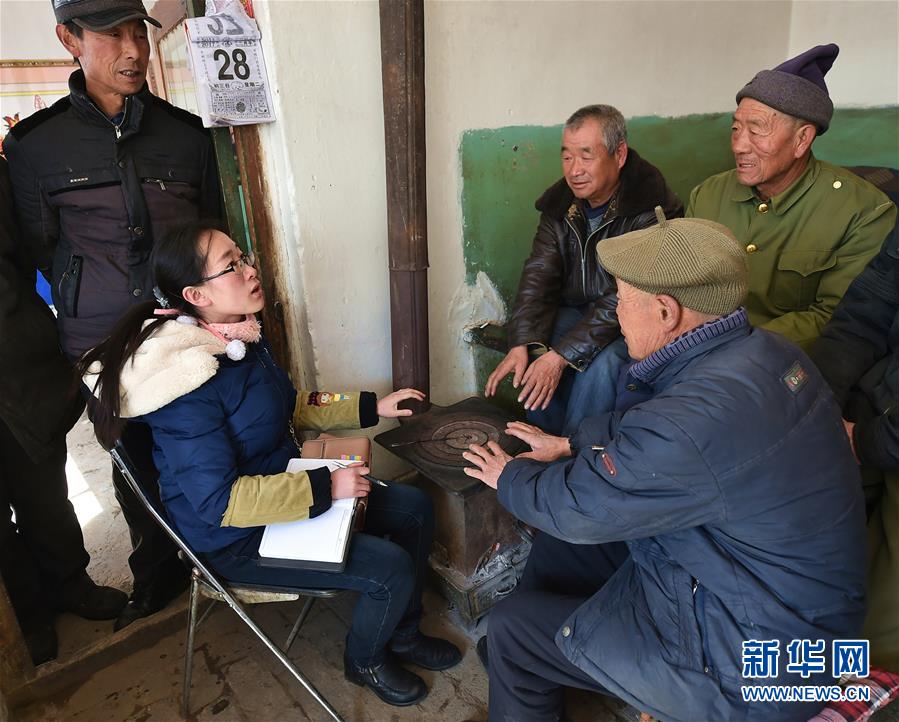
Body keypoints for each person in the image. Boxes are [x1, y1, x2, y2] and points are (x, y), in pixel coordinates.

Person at [464, 210, 867, 722]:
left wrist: (510, 476)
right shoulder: (766, 352)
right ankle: (542, 660)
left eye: (622, 300)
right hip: (771, 598)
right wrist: (570, 443)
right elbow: (658, 438)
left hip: (754, 664)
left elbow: (580, 506)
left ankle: (522, 656)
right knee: (565, 550)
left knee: (512, 628)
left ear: (665, 311)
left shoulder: (692, 421)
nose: (617, 313)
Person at [77, 221, 461, 706]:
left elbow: (287, 405)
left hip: (276, 490)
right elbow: (219, 503)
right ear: (195, 295)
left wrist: (372, 407)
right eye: (231, 265)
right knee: (389, 568)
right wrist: (326, 489)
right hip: (233, 537)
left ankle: (403, 634)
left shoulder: (238, 338)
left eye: (244, 257)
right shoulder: (186, 383)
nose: (250, 269)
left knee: (414, 509)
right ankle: (364, 660)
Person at [4, 0, 222, 629]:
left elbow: (211, 233)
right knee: (133, 463)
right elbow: (40, 247)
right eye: (111, 36)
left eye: (138, 34)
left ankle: (223, 558)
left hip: (185, 329)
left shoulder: (185, 135)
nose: (132, 51)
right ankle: (157, 575)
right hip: (99, 340)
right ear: (69, 39)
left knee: (200, 448)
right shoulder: (35, 147)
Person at [485, 104, 682, 435]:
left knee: (602, 365)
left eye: (586, 156)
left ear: (619, 155)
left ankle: (576, 451)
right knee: (535, 347)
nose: (574, 170)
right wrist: (520, 342)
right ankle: (543, 441)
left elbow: (625, 295)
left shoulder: (651, 207)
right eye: (566, 157)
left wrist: (562, 356)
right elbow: (538, 276)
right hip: (579, 313)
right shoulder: (560, 206)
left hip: (634, 319)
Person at [687, 43, 896, 351]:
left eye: (756, 130)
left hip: (778, 358)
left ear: (801, 140)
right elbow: (682, 283)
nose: (739, 146)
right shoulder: (708, 194)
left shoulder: (864, 212)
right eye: (735, 128)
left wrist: (730, 346)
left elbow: (837, 317)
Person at [0, 158, 126, 664]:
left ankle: (69, 583)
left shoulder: (2, 175)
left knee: (44, 491)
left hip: (19, 362)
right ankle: (24, 614)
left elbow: (38, 248)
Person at [811, 226, 899, 673]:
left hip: (885, 436)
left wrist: (867, 443)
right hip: (872, 400)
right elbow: (866, 310)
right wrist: (820, 405)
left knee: (870, 643)